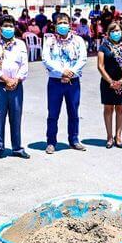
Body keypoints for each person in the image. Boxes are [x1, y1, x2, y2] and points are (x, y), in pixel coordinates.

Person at [0, 15, 29, 162]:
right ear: (0, 27)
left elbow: (24, 65)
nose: (9, 29)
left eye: (11, 26)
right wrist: (6, 79)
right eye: (6, 26)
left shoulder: (20, 44)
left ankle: (17, 148)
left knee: (16, 117)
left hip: (16, 85)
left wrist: (16, 79)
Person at [42, 13, 88, 154]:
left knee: (74, 112)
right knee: (53, 113)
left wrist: (71, 73)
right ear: (55, 25)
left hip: (73, 82)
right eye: (59, 22)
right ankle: (51, 142)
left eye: (65, 22)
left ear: (70, 24)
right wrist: (62, 72)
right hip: (55, 82)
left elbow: (82, 58)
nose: (63, 25)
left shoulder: (78, 40)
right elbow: (46, 59)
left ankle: (74, 139)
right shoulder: (49, 41)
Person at [97, 22, 122, 149]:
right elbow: (100, 66)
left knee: (120, 108)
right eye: (113, 31)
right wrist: (111, 82)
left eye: (118, 30)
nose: (115, 33)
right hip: (107, 83)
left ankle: (118, 137)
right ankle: (109, 137)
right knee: (108, 109)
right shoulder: (104, 47)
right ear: (109, 33)